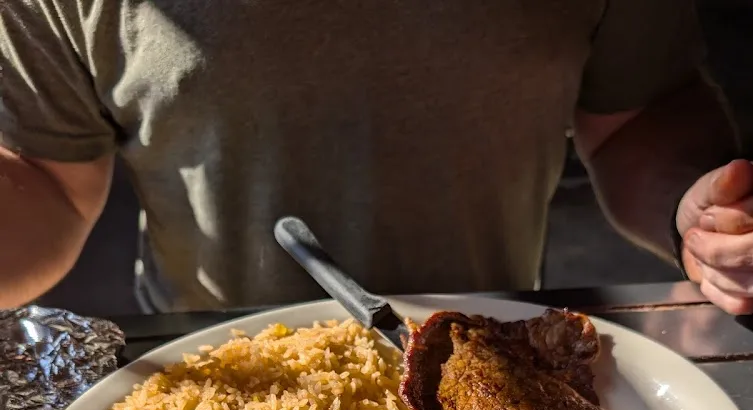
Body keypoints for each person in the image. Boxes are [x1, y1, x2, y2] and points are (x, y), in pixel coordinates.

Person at [0, 0, 751, 315]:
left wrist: (700, 214)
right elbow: (47, 180)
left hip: (491, 359)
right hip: (209, 387)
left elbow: (636, 113)